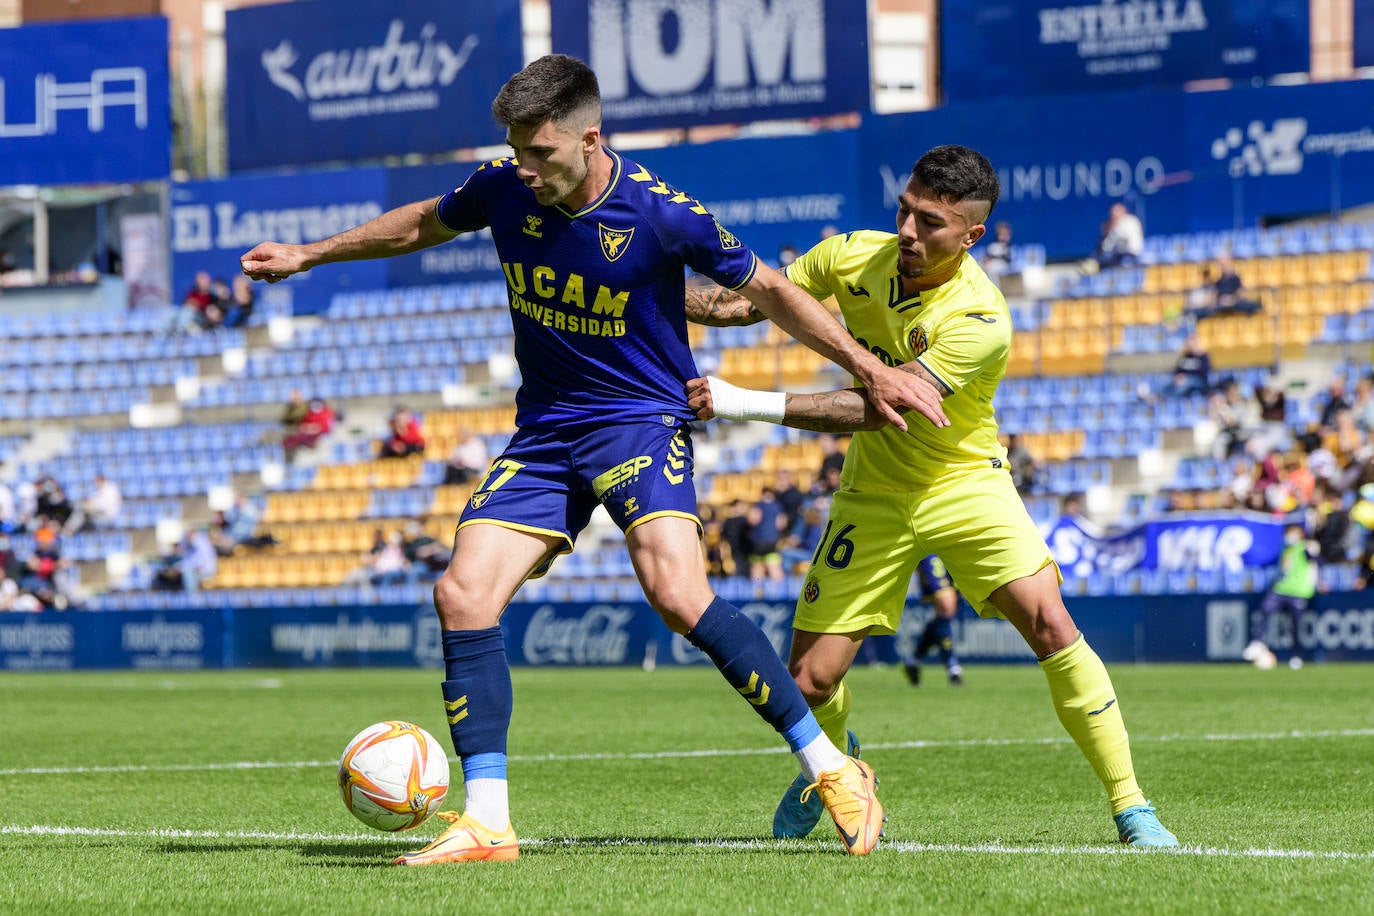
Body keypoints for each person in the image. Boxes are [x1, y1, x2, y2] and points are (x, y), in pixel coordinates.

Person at [239, 53, 938, 864]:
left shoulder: (660, 213)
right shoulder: (504, 186)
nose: (523, 169)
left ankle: (833, 769)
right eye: (514, 150)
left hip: (639, 419)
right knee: (462, 592)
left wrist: (869, 367)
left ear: (589, 139)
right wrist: (310, 254)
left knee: (678, 595)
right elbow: (424, 221)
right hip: (545, 430)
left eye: (539, 153)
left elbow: (773, 291)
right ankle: (490, 822)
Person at [684, 144, 1178, 847]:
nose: (909, 233)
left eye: (931, 223)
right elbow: (741, 303)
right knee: (810, 680)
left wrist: (741, 401)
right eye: (905, 212)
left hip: (964, 482)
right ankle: (836, 767)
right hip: (874, 491)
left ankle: (1132, 806)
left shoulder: (980, 318)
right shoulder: (853, 254)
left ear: (971, 235)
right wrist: (634, 281)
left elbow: (881, 406)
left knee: (1050, 624)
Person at [1242, 523, 1319, 670]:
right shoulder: (1285, 549)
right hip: (1281, 588)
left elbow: (1315, 560)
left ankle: (1296, 656)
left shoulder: (1304, 548)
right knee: (1266, 609)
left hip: (1298, 591)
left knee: (1296, 626)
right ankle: (1258, 642)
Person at [901, 555, 963, 687]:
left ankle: (913, 660)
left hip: (956, 547)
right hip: (932, 548)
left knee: (945, 614)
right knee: (946, 605)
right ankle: (953, 667)